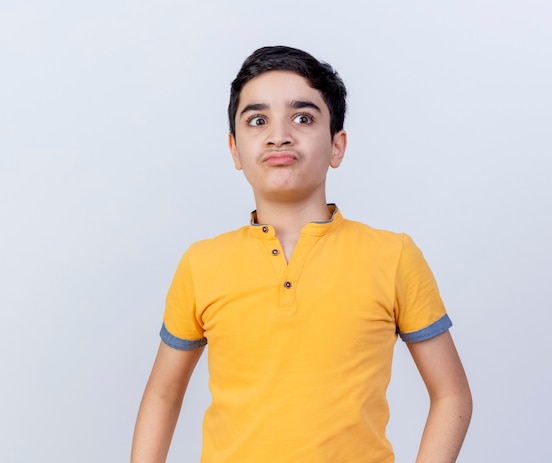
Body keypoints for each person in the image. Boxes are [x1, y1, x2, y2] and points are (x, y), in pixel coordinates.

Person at [131, 45, 472, 463]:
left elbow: (451, 393)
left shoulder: (393, 255)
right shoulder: (201, 263)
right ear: (235, 149)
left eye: (303, 117)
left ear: (337, 146)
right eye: (258, 120)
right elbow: (163, 394)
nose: (279, 135)